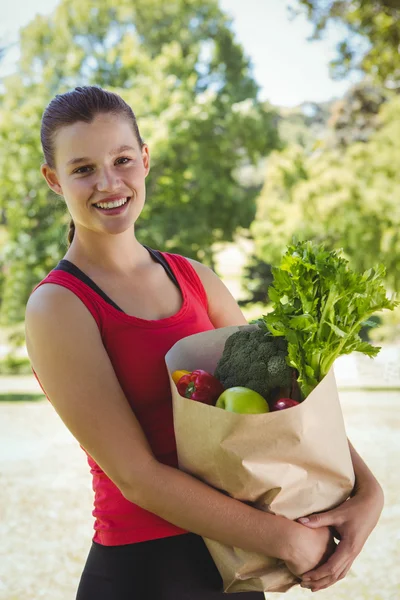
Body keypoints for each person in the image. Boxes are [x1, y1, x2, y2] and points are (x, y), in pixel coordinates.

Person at [25, 86, 384, 599]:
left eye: (122, 159)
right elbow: (137, 477)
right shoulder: (59, 306)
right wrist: (286, 539)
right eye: (82, 169)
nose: (109, 182)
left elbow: (284, 402)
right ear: (53, 180)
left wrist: (369, 492)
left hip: (236, 566)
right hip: (146, 570)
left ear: (144, 160)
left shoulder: (193, 277)